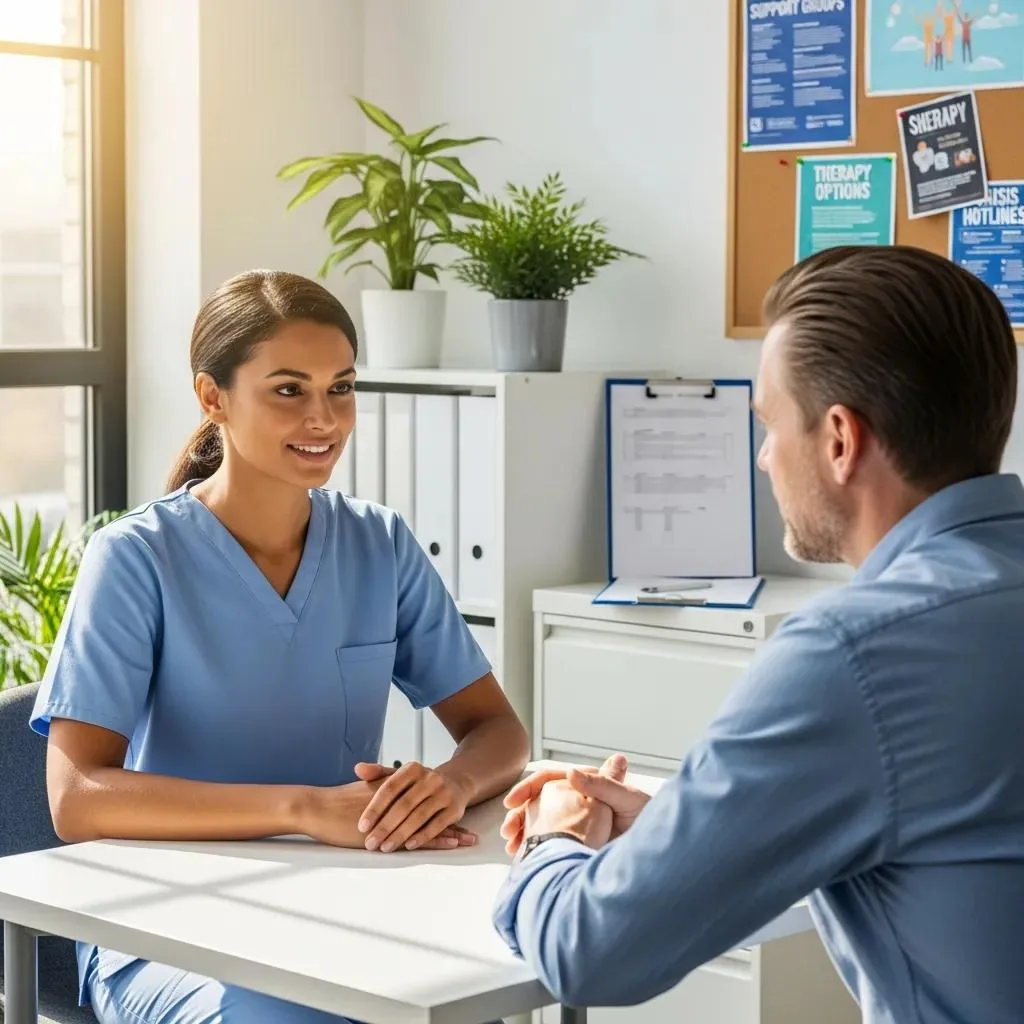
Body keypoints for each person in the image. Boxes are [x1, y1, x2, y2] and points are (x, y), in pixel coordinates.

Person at [492, 246, 1024, 1024]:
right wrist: (695, 835)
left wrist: (555, 842)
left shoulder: (854, 655)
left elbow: (590, 951)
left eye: (770, 424)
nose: (764, 457)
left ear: (840, 440)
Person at [30, 269, 530, 1024]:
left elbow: (498, 730)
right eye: (289, 390)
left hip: (345, 903)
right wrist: (306, 808)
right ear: (213, 398)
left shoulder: (380, 544)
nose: (324, 418)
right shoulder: (135, 559)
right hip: (164, 926)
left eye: (342, 387)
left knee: (485, 985)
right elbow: (76, 799)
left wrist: (451, 787)